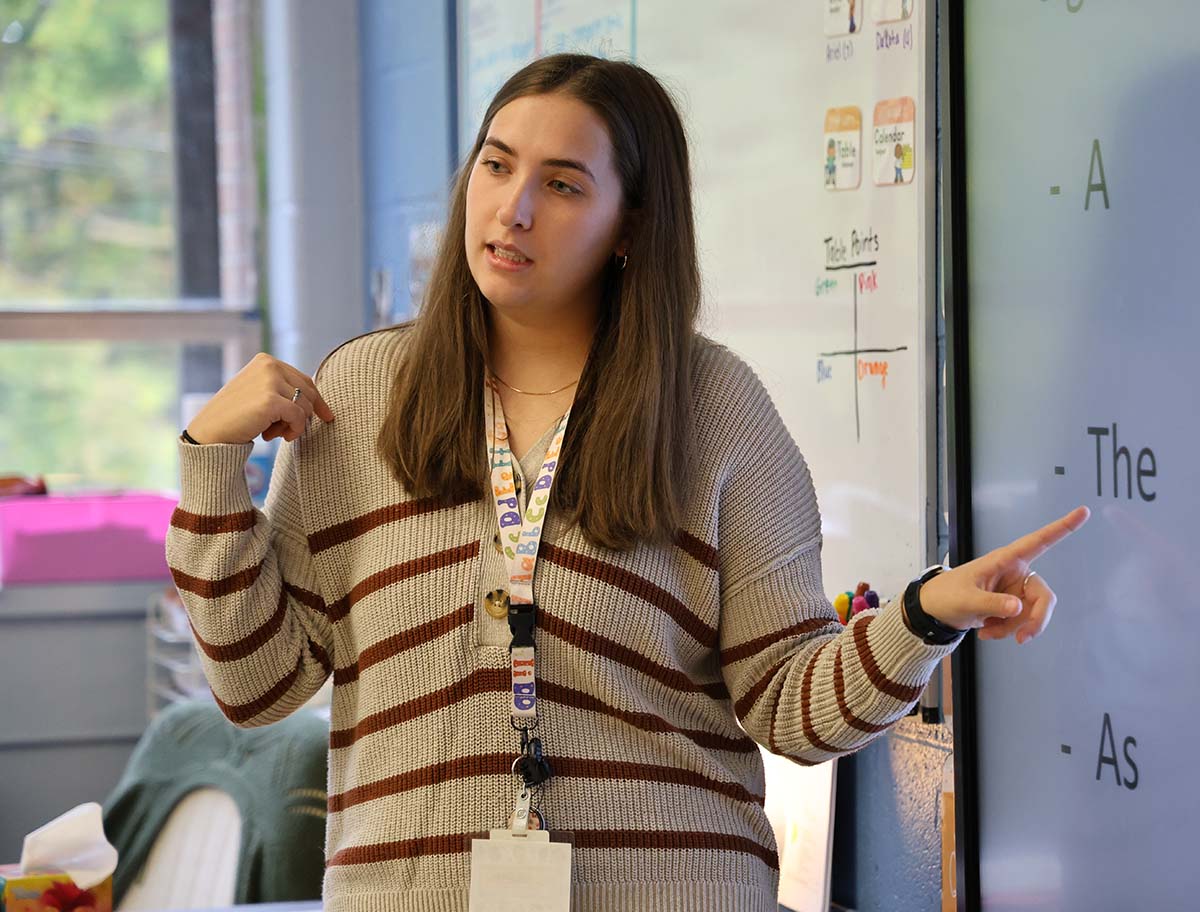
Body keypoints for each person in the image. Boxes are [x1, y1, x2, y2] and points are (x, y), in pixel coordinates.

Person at [166, 53, 1089, 912]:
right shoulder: (365, 393)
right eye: (496, 165)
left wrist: (924, 616)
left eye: (562, 185)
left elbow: (787, 704)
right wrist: (210, 461)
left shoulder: (715, 408)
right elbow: (259, 685)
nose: (513, 209)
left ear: (630, 226)